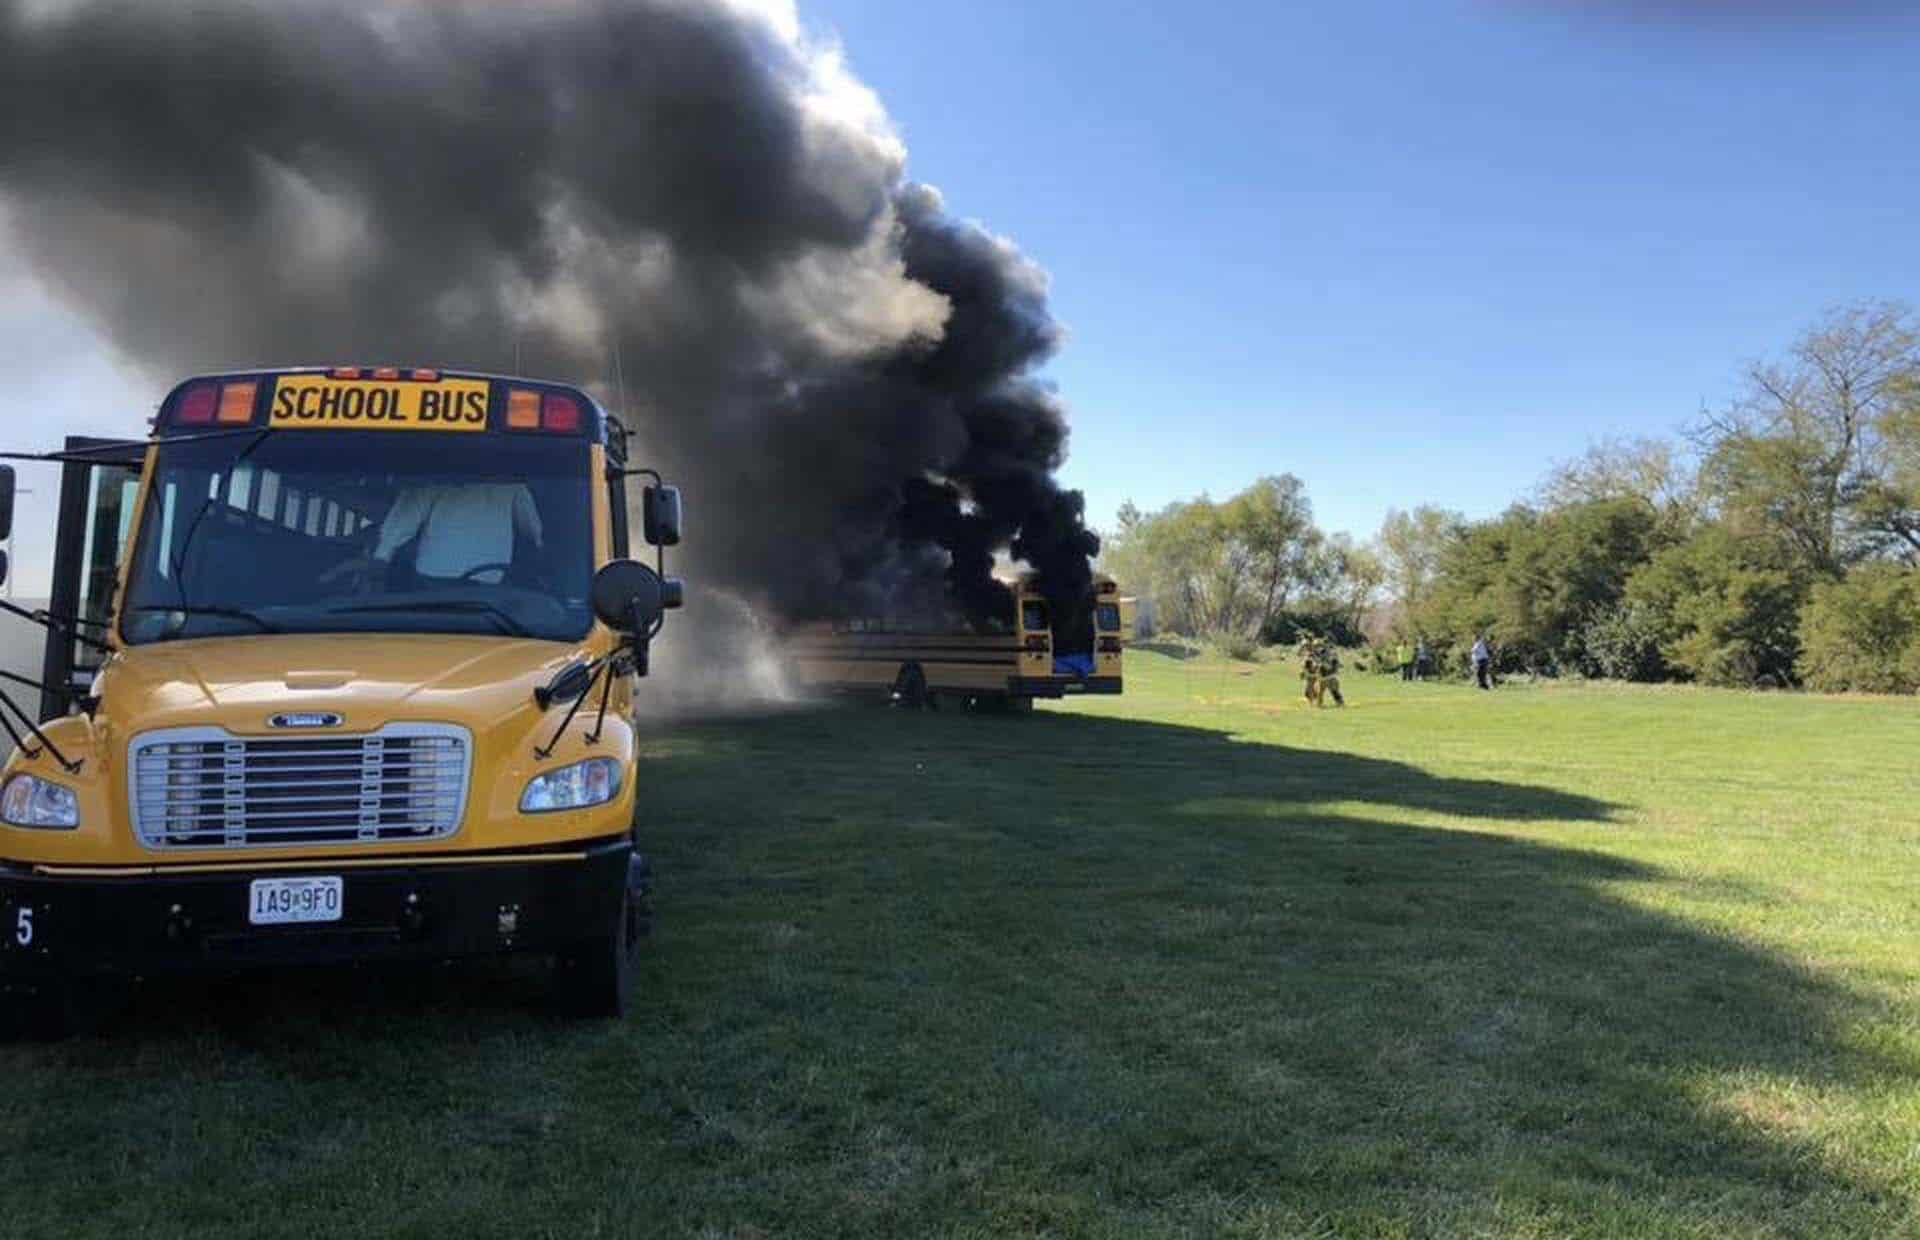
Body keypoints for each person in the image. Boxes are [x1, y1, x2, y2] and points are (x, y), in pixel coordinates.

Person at [374, 482, 544, 587]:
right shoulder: (511, 484)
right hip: (490, 582)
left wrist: (382, 556)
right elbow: (530, 528)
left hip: (434, 578)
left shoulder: (438, 477)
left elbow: (406, 517)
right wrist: (540, 547)